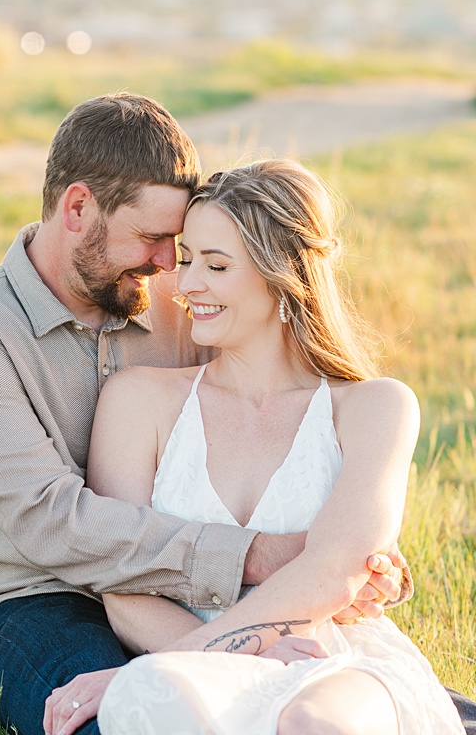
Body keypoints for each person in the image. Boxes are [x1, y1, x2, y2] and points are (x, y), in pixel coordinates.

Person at [0, 92, 447, 735]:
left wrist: (352, 557)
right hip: (43, 595)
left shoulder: (181, 302)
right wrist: (268, 560)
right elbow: (49, 521)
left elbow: (274, 409)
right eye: (155, 239)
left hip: (208, 599)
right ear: (78, 208)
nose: (172, 267)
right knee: (109, 722)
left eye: (187, 248)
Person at [43, 160, 466, 734]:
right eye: (188, 259)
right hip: (191, 666)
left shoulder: (376, 408)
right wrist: (246, 656)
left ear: (283, 273)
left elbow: (335, 571)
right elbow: (123, 587)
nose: (187, 284)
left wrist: (245, 651)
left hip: (336, 660)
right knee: (147, 697)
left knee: (313, 723)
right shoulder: (138, 402)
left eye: (216, 265)